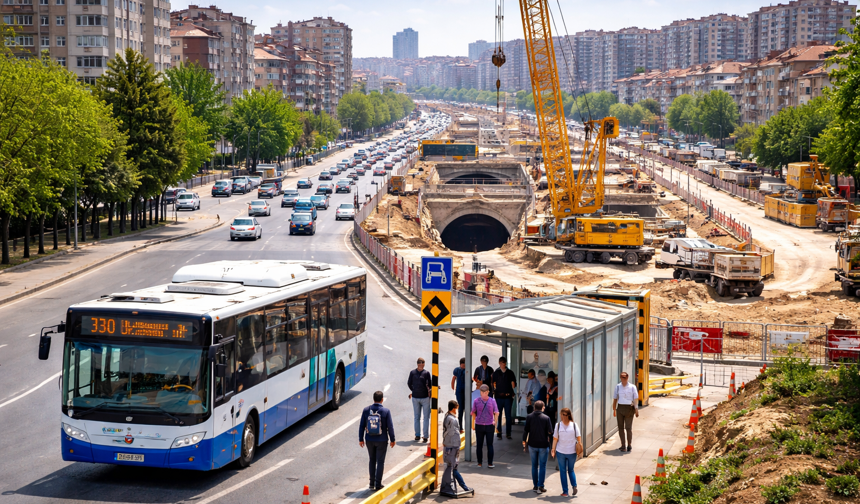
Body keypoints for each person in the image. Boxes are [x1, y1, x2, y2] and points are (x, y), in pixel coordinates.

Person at [359, 390, 396, 491]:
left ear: (373, 399)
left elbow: (362, 425)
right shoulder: (386, 411)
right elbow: (390, 427)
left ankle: (371, 483)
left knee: (372, 460)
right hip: (382, 440)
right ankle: (378, 484)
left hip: (369, 439)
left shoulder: (366, 410)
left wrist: (361, 439)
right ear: (382, 400)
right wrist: (392, 439)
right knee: (380, 461)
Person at [441, 400, 472, 494]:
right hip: (452, 447)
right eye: (456, 409)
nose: (457, 410)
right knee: (453, 468)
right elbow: (454, 434)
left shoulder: (447, 417)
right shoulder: (453, 420)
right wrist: (457, 446)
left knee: (451, 468)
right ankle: (464, 487)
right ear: (454, 409)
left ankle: (461, 487)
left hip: (448, 446)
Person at [523, 400, 553, 494]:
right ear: (543, 408)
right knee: (542, 466)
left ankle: (535, 485)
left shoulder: (529, 417)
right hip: (543, 444)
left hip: (532, 444)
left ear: (534, 407)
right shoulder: (546, 418)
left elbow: (526, 430)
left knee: (534, 466)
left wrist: (524, 441)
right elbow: (550, 431)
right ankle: (541, 485)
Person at [551, 407, 583, 497]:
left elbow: (578, 438)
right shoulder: (560, 425)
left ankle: (567, 490)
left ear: (568, 415)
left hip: (567, 452)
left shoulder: (572, 425)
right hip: (564, 452)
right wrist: (553, 449)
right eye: (561, 415)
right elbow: (555, 439)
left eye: (563, 415)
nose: (562, 417)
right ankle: (572, 487)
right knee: (568, 470)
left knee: (565, 471)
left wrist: (553, 449)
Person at [471, 384, 499, 468]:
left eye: (484, 392)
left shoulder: (476, 401)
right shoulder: (492, 401)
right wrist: (495, 423)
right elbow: (496, 413)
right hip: (490, 425)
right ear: (488, 392)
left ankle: (479, 463)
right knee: (490, 445)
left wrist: (473, 424)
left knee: (479, 445)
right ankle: (490, 463)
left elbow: (473, 413)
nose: (483, 394)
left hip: (479, 424)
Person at [612, 371, 639, 452]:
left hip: (629, 408)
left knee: (628, 428)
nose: (623, 379)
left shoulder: (632, 387)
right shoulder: (618, 387)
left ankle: (629, 445)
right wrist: (614, 409)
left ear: (627, 378)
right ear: (620, 378)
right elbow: (615, 398)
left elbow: (635, 399)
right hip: (620, 408)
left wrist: (636, 409)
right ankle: (623, 445)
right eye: (622, 377)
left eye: (625, 377)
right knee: (620, 428)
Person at [492, 356, 517, 439]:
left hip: (508, 397)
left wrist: (512, 384)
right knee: (498, 415)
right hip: (499, 397)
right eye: (502, 362)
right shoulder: (496, 373)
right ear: (499, 363)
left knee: (508, 416)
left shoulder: (510, 372)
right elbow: (493, 384)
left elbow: (514, 384)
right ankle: (499, 433)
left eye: (504, 362)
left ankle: (508, 433)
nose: (503, 364)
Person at [407, 358, 432, 442]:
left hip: (423, 398)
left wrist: (414, 390)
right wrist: (414, 390)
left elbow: (409, 383)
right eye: (422, 364)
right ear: (419, 364)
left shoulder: (426, 373)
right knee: (420, 417)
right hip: (419, 398)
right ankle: (419, 435)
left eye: (423, 364)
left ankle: (423, 435)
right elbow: (409, 383)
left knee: (422, 417)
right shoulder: (414, 373)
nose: (422, 365)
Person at [451, 358, 466, 431]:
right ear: (460, 364)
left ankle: (467, 426)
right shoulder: (457, 370)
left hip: (466, 391)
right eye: (463, 365)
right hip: (459, 391)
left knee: (466, 408)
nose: (464, 366)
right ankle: (460, 426)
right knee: (460, 409)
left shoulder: (467, 370)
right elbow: (454, 378)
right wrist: (453, 387)